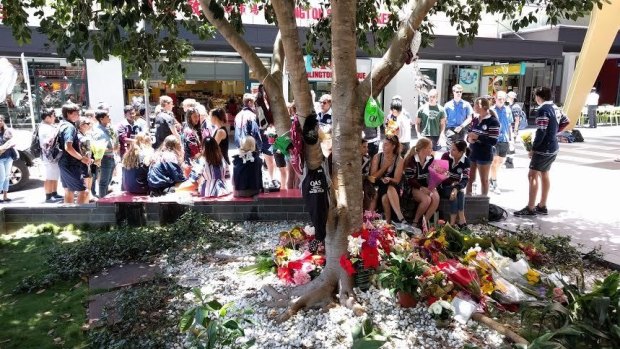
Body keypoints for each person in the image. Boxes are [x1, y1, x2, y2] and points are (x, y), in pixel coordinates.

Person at [514, 87, 569, 216]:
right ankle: (542, 205)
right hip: (553, 146)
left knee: (532, 175)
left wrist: (534, 147)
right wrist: (554, 132)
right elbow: (566, 121)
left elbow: (541, 130)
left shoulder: (543, 109)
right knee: (544, 173)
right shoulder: (555, 107)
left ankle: (531, 207)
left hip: (544, 148)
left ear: (538, 97)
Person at [58, 103, 93, 204]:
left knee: (69, 191)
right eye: (76, 113)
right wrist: (82, 158)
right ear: (69, 114)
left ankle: (69, 217)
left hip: (63, 162)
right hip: (70, 164)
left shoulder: (62, 124)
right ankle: (79, 217)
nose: (79, 115)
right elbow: (68, 147)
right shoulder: (70, 127)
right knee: (84, 191)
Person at [370, 135, 407, 227]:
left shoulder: (399, 160)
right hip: (378, 184)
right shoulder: (377, 157)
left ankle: (388, 223)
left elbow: (397, 180)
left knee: (388, 192)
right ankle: (394, 220)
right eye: (383, 144)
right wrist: (385, 166)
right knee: (384, 196)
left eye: (386, 144)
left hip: (392, 186)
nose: (383, 146)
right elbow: (373, 177)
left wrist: (390, 179)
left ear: (393, 146)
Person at [466, 97, 499, 197]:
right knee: (469, 178)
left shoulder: (493, 121)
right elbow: (469, 133)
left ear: (482, 106)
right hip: (472, 152)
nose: (473, 106)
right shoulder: (475, 119)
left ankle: (483, 200)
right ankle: (467, 198)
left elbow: (493, 141)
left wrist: (478, 137)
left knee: (483, 179)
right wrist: (469, 139)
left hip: (484, 154)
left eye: (476, 104)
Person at [403, 138, 439, 227]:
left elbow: (432, 174)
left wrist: (433, 183)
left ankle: (424, 223)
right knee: (426, 200)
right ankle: (415, 222)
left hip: (426, 185)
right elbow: (410, 179)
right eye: (430, 148)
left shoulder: (430, 159)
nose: (431, 150)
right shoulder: (411, 161)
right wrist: (422, 188)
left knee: (436, 197)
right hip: (414, 187)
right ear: (423, 149)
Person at [438, 140, 471, 229]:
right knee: (457, 193)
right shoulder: (445, 156)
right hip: (443, 186)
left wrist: (456, 187)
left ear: (461, 152)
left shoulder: (466, 161)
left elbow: (465, 179)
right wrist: (453, 183)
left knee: (459, 192)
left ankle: (453, 224)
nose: (450, 151)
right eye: (450, 148)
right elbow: (440, 175)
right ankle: (461, 220)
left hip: (454, 187)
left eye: (453, 150)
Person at [489, 91, 513, 194]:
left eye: (503, 99)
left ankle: (491, 178)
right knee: (494, 162)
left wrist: (511, 139)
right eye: (499, 98)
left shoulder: (507, 110)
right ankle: (494, 183)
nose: (501, 100)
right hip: (494, 139)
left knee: (500, 161)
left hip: (504, 139)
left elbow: (509, 125)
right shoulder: (491, 110)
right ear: (495, 98)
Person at [38, 108, 64, 203]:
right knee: (49, 176)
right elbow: (47, 142)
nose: (55, 117)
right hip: (49, 155)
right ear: (47, 117)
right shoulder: (44, 128)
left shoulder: (49, 126)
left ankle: (54, 193)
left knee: (54, 175)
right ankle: (48, 196)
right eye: (53, 116)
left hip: (53, 155)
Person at [91, 109, 118, 198]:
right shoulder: (98, 131)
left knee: (108, 181)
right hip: (105, 158)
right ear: (101, 119)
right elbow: (96, 147)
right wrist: (111, 148)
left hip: (111, 156)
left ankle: (105, 200)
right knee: (103, 183)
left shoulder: (108, 128)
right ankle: (103, 202)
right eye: (107, 116)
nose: (110, 118)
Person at [0, 114, 16, 202]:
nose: (0, 122)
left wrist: (4, 147)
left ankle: (5, 196)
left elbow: (12, 142)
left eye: (1, 120)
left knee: (6, 177)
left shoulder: (7, 131)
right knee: (1, 177)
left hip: (8, 157)